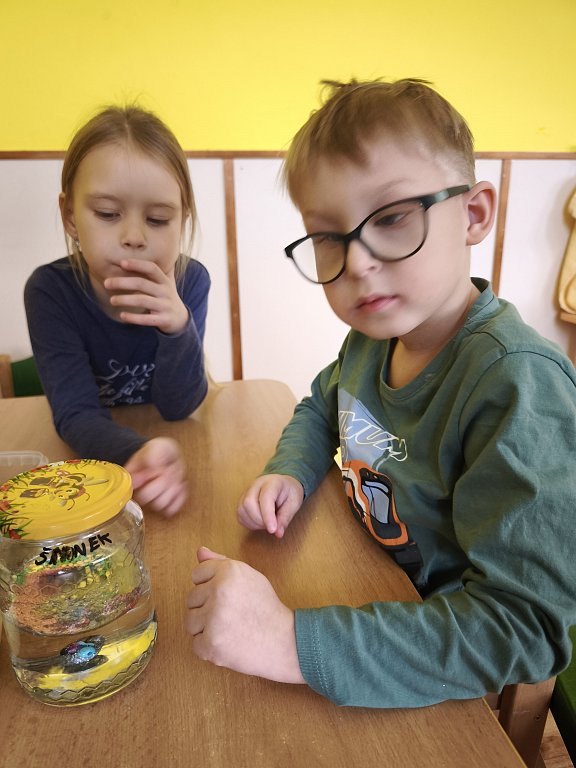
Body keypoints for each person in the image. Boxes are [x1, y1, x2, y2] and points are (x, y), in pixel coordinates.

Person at [185, 79, 576, 708]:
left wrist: (288, 643)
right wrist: (290, 471)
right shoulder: (373, 339)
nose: (359, 263)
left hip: (446, 669)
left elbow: (521, 629)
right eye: (328, 237)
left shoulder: (518, 385)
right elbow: (322, 406)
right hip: (369, 584)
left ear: (473, 214)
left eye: (392, 218)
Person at [25, 105, 210, 517]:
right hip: (100, 464)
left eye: (158, 219)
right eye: (108, 214)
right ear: (71, 216)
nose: (134, 236)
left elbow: (179, 408)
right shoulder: (50, 291)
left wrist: (178, 327)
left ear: (182, 219)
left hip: (175, 441)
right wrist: (137, 451)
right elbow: (75, 414)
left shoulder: (191, 281)